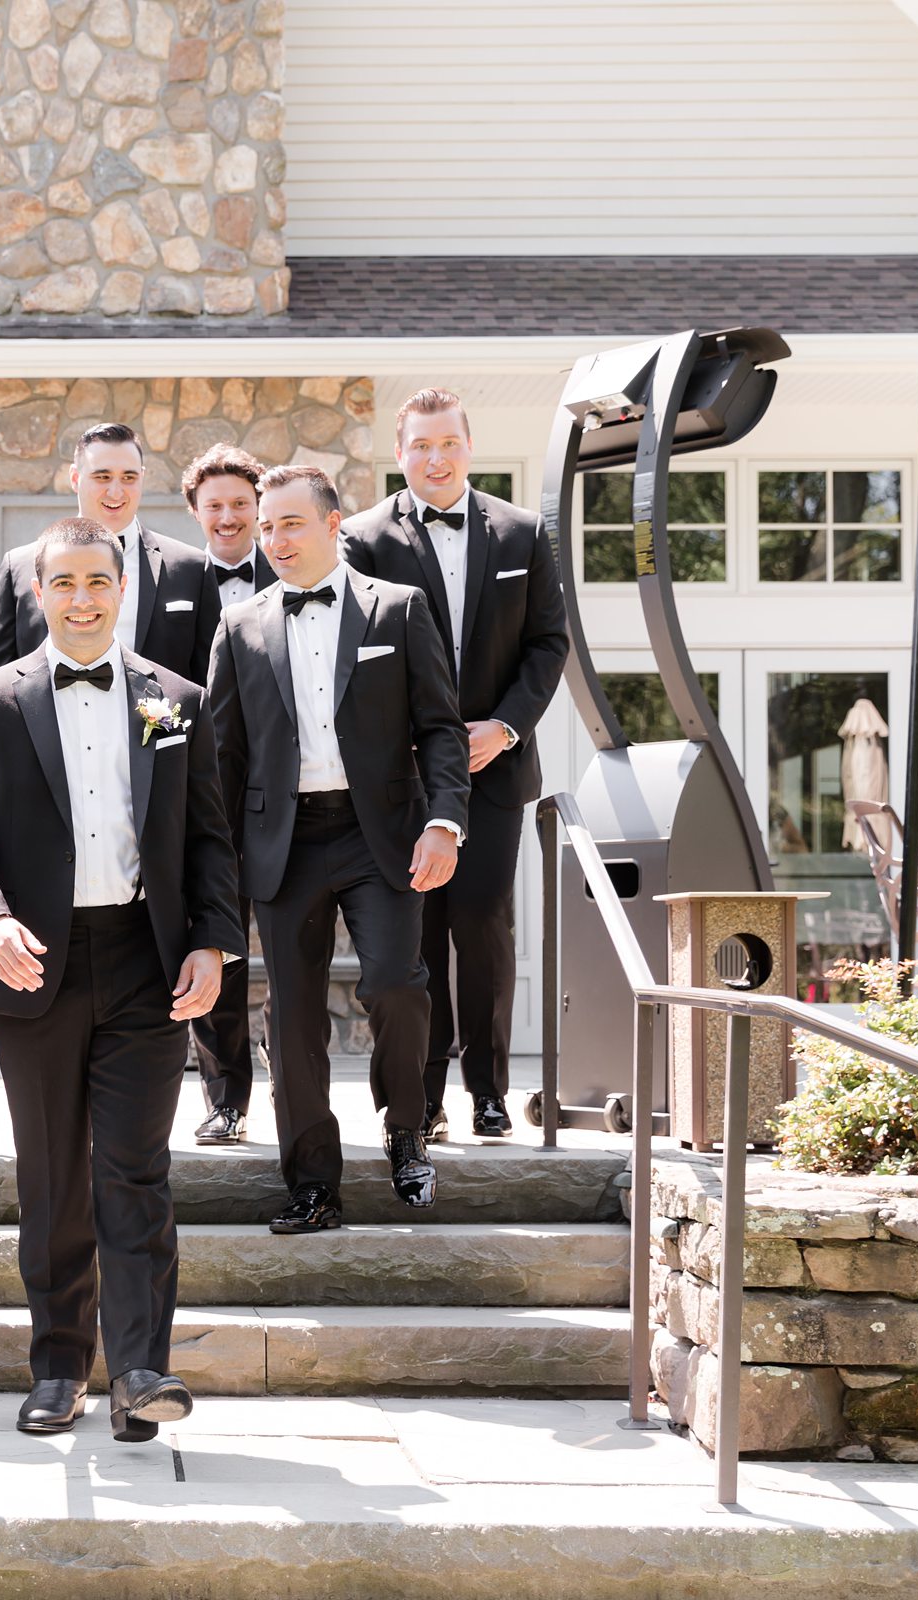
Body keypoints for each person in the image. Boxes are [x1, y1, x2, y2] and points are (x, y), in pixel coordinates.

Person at [0, 516, 241, 1442]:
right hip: (36, 969)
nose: (80, 600)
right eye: (62, 584)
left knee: (136, 1174)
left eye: (96, 584)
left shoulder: (175, 699)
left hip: (149, 967)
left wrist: (212, 943)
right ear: (38, 592)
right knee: (55, 1179)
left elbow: (209, 838)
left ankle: (141, 1368)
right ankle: (59, 1368)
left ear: (121, 590)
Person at [207, 464, 469, 1233]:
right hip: (280, 841)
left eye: (291, 524)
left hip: (379, 832)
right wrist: (211, 863)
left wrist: (444, 821)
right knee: (291, 1018)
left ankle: (405, 1127)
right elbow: (221, 755)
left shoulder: (401, 609)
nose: (276, 540)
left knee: (396, 982)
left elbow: (440, 729)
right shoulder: (240, 625)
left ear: (332, 525)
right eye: (267, 527)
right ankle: (313, 1183)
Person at [343, 389, 569, 1140]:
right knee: (416, 936)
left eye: (448, 444)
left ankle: (491, 1089)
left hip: (497, 770)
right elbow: (358, 657)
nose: (434, 459)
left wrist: (505, 727)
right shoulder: (363, 538)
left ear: (469, 448)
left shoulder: (522, 533)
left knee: (483, 928)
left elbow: (547, 644)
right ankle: (423, 1098)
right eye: (419, 446)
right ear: (398, 453)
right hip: (407, 777)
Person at [0, 421, 219, 684]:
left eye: (128, 477)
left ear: (142, 478)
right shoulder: (20, 566)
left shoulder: (192, 567)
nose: (116, 491)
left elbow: (211, 686)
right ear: (74, 478)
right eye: (102, 476)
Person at [182, 443, 269, 1145]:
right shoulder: (174, 584)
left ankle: (304, 1096)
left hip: (284, 794)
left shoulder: (300, 574)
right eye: (214, 505)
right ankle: (226, 1100)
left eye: (241, 502)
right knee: (217, 944)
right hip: (202, 797)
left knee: (297, 956)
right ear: (196, 513)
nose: (229, 516)